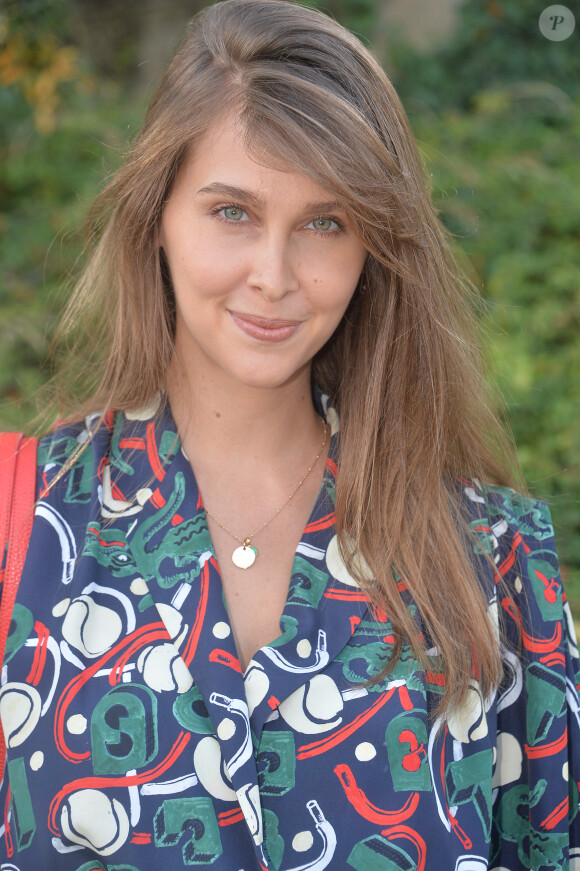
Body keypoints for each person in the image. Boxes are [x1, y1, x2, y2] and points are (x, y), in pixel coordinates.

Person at [0, 1, 578, 868]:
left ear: (375, 248)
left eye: (325, 223)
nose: (273, 277)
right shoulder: (22, 529)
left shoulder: (494, 563)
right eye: (232, 212)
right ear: (156, 216)